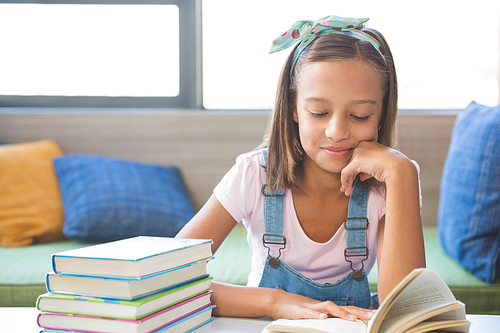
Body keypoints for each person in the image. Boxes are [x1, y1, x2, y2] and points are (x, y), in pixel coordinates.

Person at [176, 15, 425, 322]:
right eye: (319, 112)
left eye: (360, 115)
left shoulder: (389, 182)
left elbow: (407, 313)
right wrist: (273, 302)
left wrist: (402, 173)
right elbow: (166, 280)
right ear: (293, 107)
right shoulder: (254, 175)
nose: (336, 131)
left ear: (382, 112)